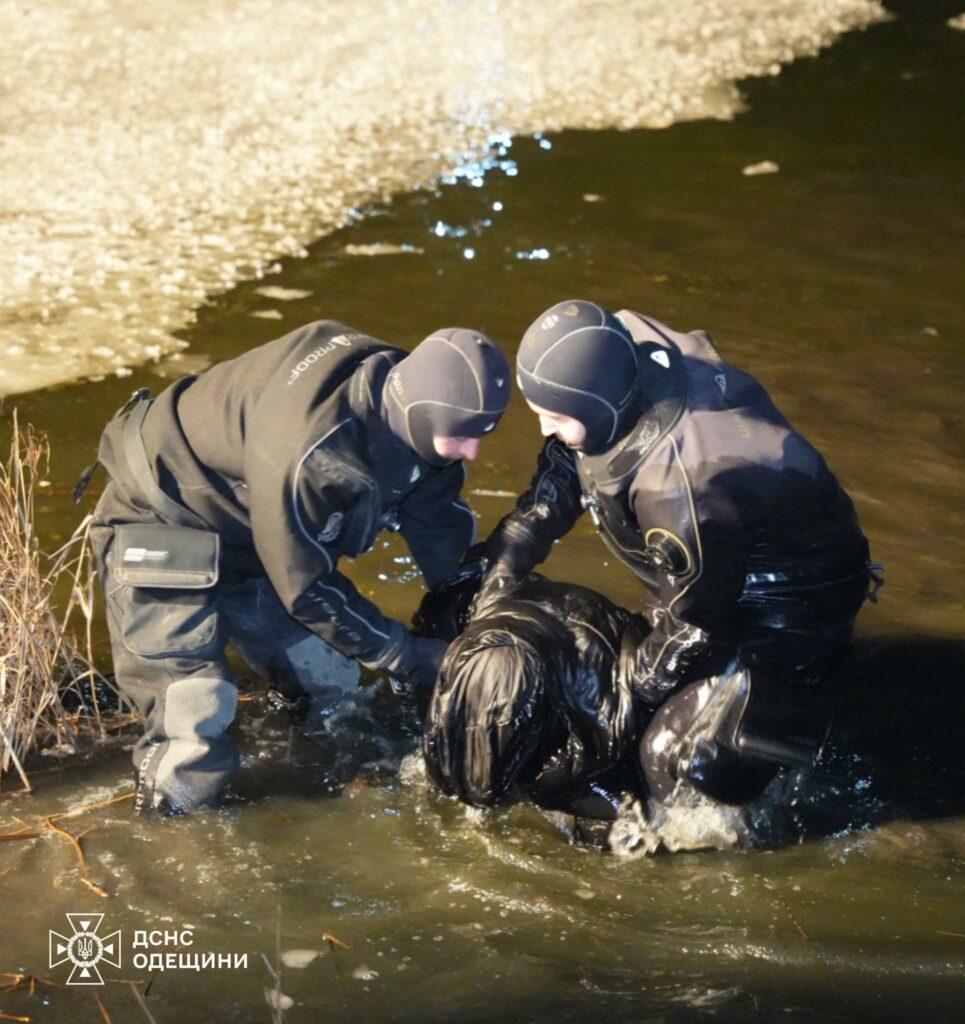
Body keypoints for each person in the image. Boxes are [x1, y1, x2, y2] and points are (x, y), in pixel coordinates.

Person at [82, 319, 510, 814]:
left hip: (255, 530)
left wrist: (481, 615)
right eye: (460, 436)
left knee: (333, 687)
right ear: (418, 413)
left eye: (481, 434)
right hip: (163, 515)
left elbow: (438, 525)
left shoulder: (417, 401)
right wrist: (408, 654)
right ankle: (171, 835)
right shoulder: (313, 449)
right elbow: (306, 588)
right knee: (194, 715)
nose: (473, 450)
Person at [475, 300, 878, 807]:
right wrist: (512, 551)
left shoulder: (682, 485)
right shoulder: (615, 348)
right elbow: (566, 463)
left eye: (553, 416)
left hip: (786, 600)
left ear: (601, 407)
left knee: (667, 754)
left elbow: (695, 625)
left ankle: (785, 722)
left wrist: (630, 693)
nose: (541, 428)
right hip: (712, 557)